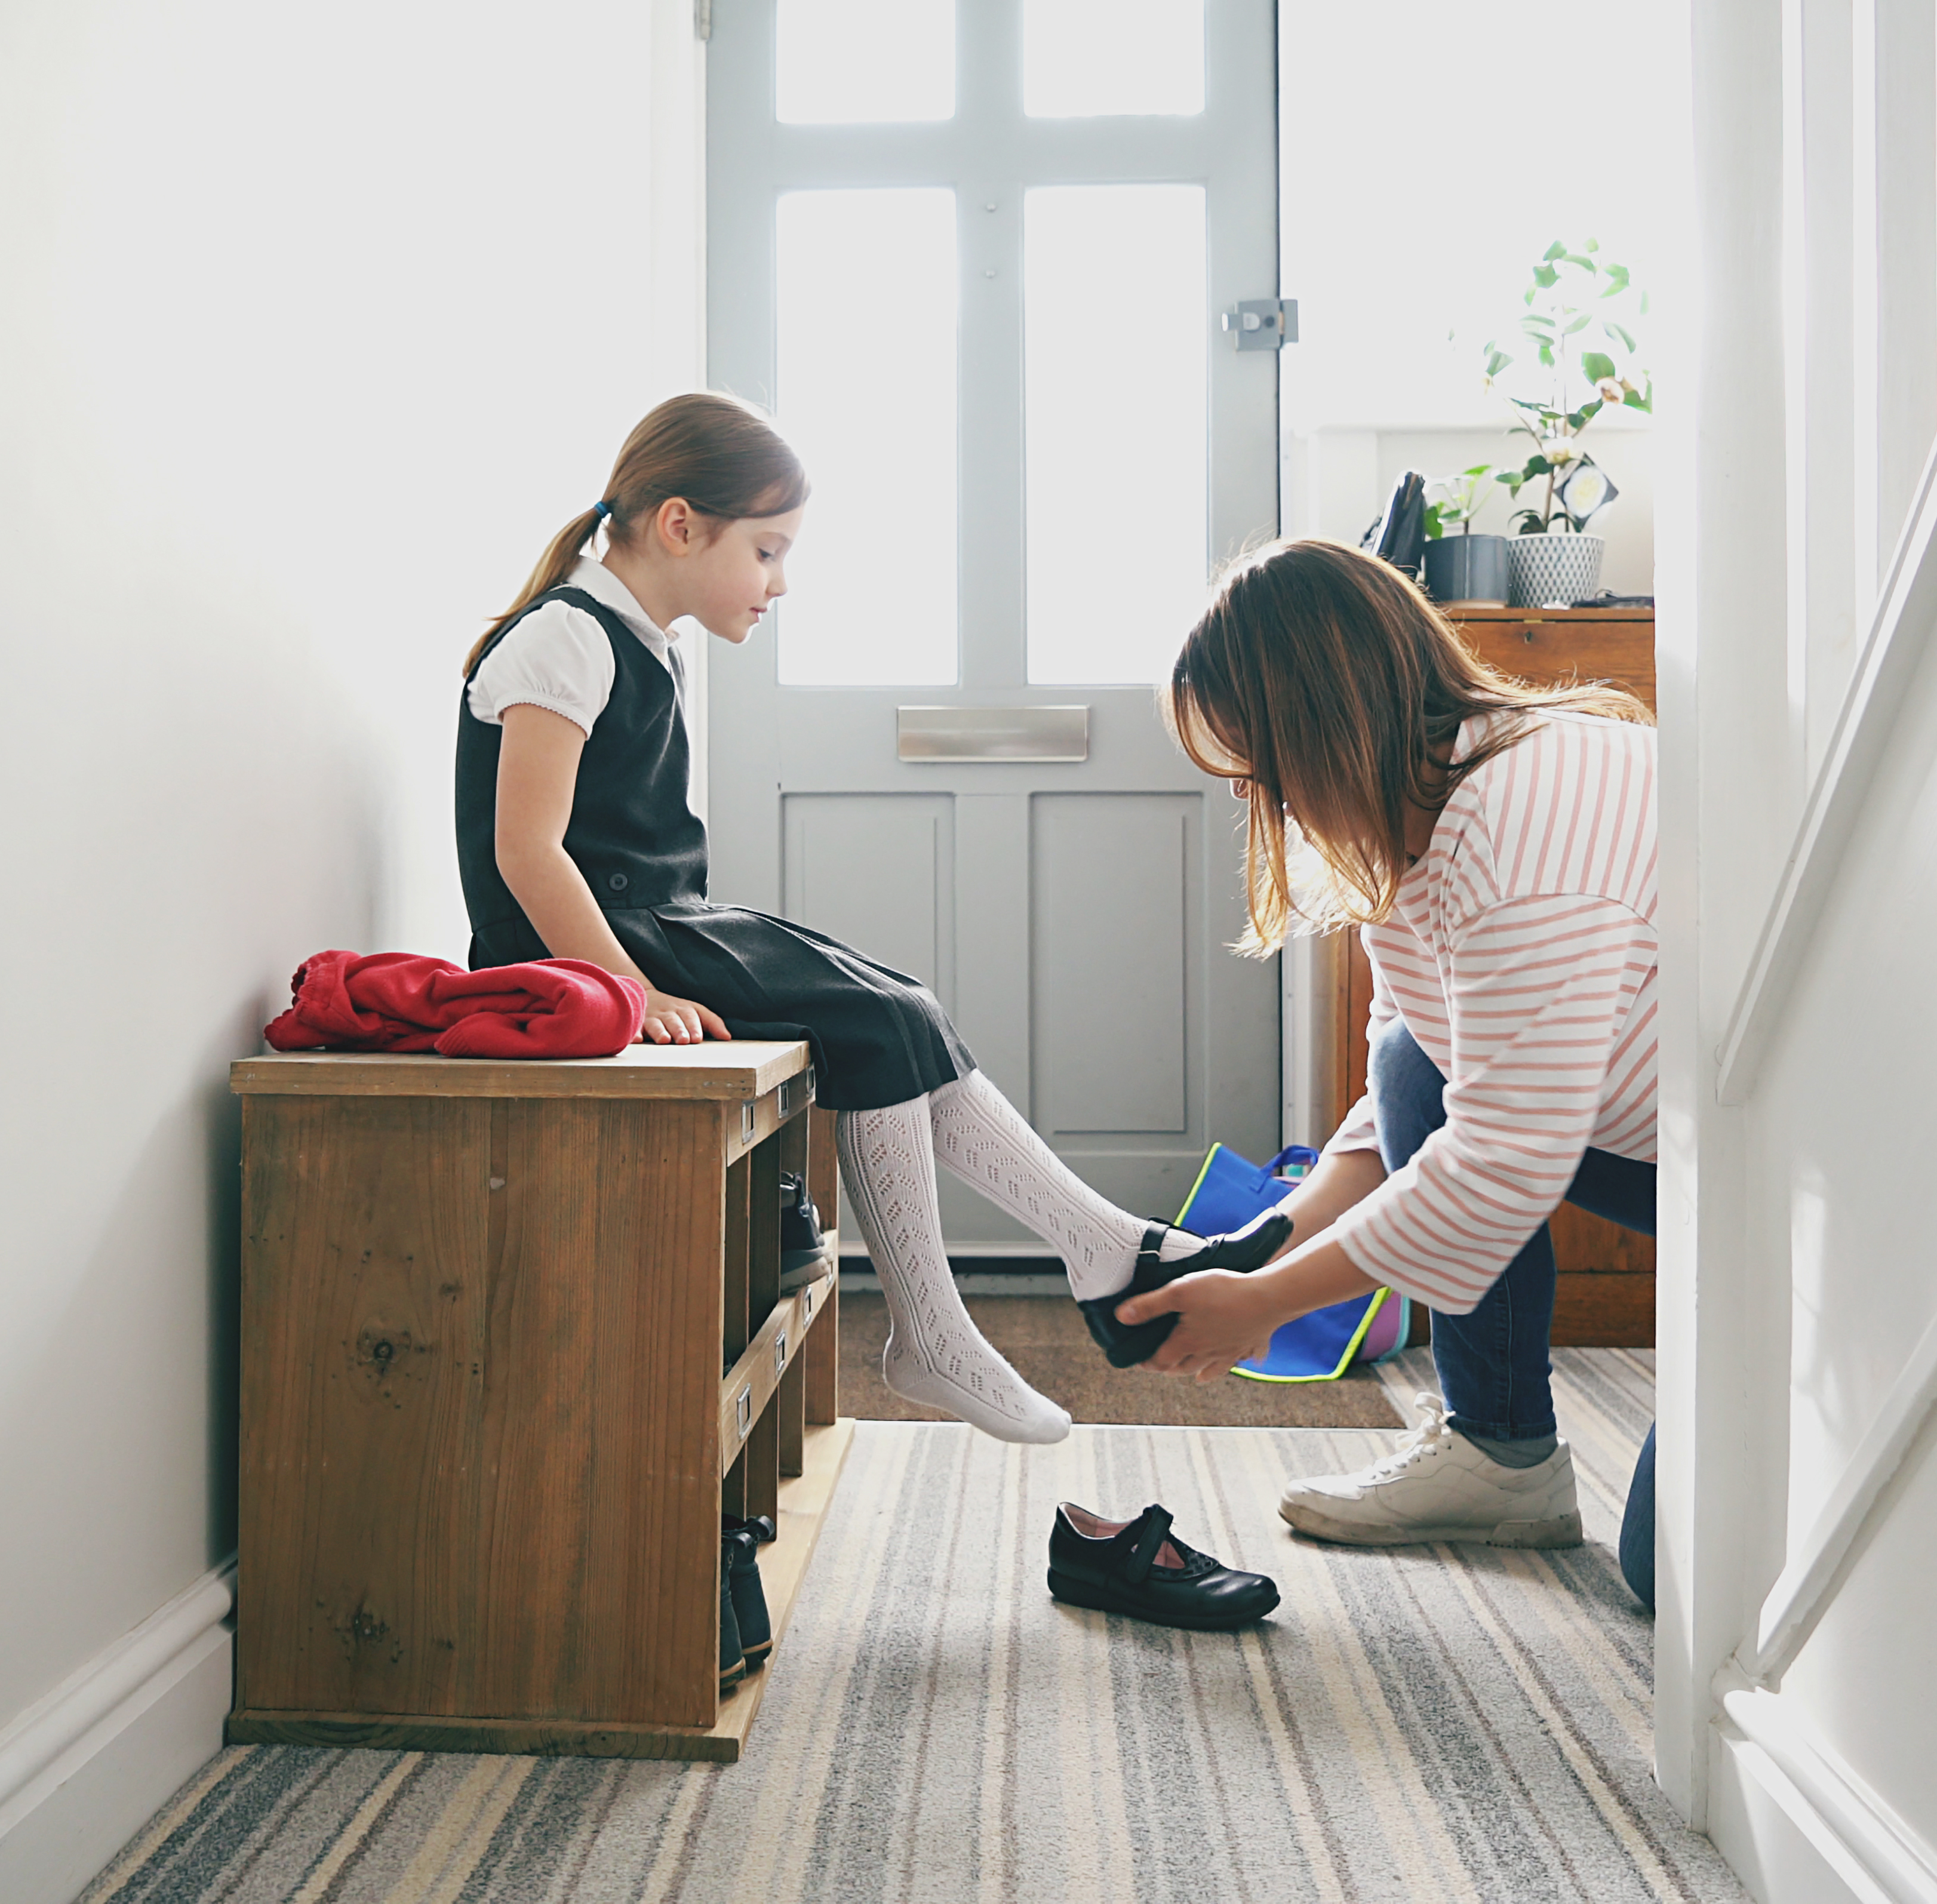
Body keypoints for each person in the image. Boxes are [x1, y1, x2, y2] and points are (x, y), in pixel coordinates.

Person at [454, 392, 1287, 1445]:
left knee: (896, 1002)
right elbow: (525, 850)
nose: (780, 581)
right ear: (678, 524)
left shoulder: (637, 637)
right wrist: (634, 991)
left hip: (655, 921)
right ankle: (950, 1322)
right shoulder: (564, 640)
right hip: (590, 949)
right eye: (766, 550)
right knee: (875, 1019)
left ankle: (1100, 1245)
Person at [1114, 537, 1663, 1602]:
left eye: (1255, 769)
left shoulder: (1522, 828)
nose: (1253, 801)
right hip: (1663, 1143)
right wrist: (1262, 1238)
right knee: (1416, 1055)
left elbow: (1499, 1162)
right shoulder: (1422, 821)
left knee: (1679, 1579)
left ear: (1323, 728)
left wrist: (1265, 1303)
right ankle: (1499, 1459)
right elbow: (1400, 1099)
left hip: (1789, 1199)